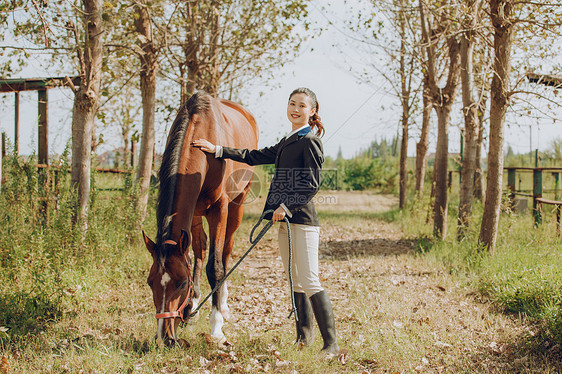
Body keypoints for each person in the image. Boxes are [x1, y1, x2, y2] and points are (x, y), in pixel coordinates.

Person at [192, 87, 339, 356]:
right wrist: (219, 150)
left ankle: (330, 345)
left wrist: (285, 206)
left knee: (309, 280)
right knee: (294, 280)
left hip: (303, 221)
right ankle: (303, 338)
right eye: (292, 103)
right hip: (283, 222)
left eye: (302, 106)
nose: (295, 109)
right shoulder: (289, 140)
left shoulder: (310, 141)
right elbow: (255, 156)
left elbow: (312, 185)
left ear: (312, 111)